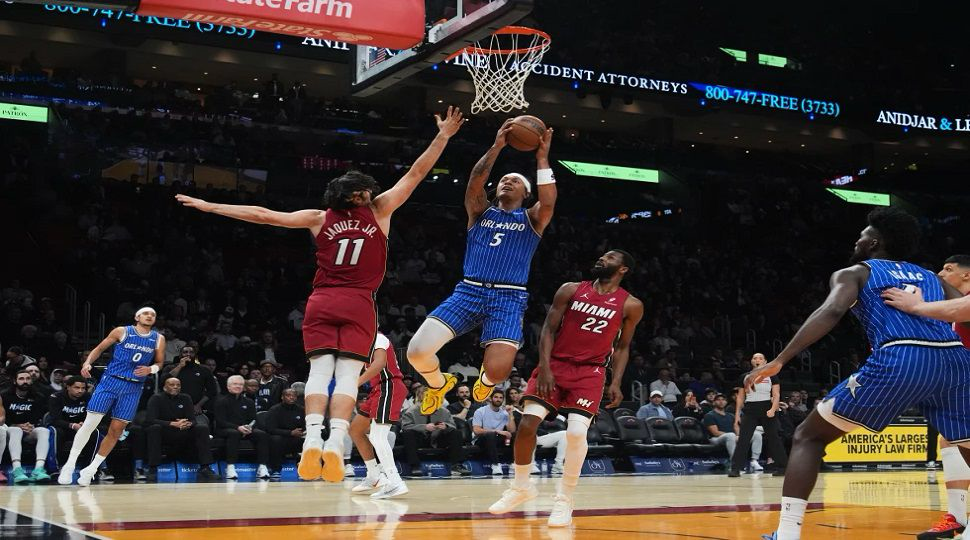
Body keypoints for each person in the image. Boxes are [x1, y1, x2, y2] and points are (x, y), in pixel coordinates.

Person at [176, 107, 464, 483]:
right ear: (359, 194)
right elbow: (416, 173)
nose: (370, 193)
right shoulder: (380, 210)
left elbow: (263, 215)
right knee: (346, 376)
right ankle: (335, 442)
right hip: (359, 302)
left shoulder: (318, 217)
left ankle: (313, 438)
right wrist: (443, 136)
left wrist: (210, 205)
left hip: (322, 300)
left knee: (319, 372)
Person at [748, 208, 970, 540]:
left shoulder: (855, 272)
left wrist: (780, 359)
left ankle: (788, 532)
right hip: (955, 362)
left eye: (863, 235)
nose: (858, 240)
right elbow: (965, 314)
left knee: (808, 436)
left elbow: (832, 310)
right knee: (966, 444)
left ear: (874, 243)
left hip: (902, 356)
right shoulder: (932, 277)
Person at [409, 119, 558, 415]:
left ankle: (486, 381)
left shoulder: (532, 219)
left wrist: (542, 158)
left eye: (515, 181)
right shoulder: (479, 211)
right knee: (416, 352)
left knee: (499, 371)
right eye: (504, 179)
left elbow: (549, 201)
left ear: (526, 194)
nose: (507, 182)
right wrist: (496, 146)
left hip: (508, 297)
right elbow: (476, 180)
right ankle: (439, 384)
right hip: (469, 291)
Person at [489, 250, 643, 527]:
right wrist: (545, 367)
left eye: (610, 258)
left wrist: (616, 381)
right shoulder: (571, 289)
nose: (602, 259)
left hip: (590, 372)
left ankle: (564, 499)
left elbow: (622, 347)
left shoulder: (630, 305)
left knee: (575, 433)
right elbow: (548, 329)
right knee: (527, 425)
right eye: (602, 256)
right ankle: (521, 486)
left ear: (623, 269)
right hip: (556, 365)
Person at [882, 254, 970, 539]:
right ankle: (956, 517)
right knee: (952, 437)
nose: (940, 273)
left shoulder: (958, 307)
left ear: (966, 275)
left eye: (948, 269)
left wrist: (916, 305)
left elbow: (955, 310)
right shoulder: (951, 309)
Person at [58, 307, 165, 486]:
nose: (149, 316)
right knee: (90, 424)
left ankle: (91, 469)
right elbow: (99, 348)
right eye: (146, 313)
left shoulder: (158, 338)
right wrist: (87, 363)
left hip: (133, 387)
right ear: (137, 316)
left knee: (116, 431)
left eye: (153, 314)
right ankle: (69, 465)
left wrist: (151, 369)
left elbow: (160, 363)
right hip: (111, 381)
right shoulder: (122, 331)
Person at [348, 333, 408, 499]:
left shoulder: (377, 337)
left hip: (389, 386)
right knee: (355, 430)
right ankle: (374, 475)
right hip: (377, 390)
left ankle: (395, 482)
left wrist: (355, 383)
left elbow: (380, 363)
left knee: (377, 436)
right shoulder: (364, 344)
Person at [144, 377, 219, 482]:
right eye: (172, 385)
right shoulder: (156, 398)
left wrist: (187, 423)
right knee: (154, 428)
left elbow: (193, 420)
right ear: (165, 387)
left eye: (178, 385)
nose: (175, 387)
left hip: (183, 431)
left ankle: (205, 468)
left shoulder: (186, 398)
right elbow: (150, 420)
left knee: (202, 428)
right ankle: (152, 469)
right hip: (165, 432)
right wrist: (172, 424)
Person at [729, 353, 787, 477]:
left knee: (773, 437)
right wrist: (737, 415)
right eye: (755, 358)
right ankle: (735, 468)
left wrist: (773, 409)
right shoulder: (744, 377)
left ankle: (782, 467)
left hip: (767, 407)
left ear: (765, 361)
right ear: (751, 361)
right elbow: (740, 397)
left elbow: (776, 394)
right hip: (750, 408)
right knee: (743, 438)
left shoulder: (772, 375)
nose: (757, 360)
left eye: (760, 358)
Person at [398, 385, 468, 477]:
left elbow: (453, 425)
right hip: (419, 440)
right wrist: (424, 427)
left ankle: (456, 465)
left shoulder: (444, 411)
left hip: (438, 438)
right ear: (420, 396)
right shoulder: (411, 411)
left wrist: (446, 426)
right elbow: (405, 427)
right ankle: (415, 466)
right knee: (408, 434)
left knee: (455, 433)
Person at [214, 375, 270, 480]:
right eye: (235, 384)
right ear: (228, 386)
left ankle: (262, 466)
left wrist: (249, 427)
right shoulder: (221, 401)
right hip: (225, 429)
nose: (238, 386)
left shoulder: (249, 402)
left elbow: (254, 419)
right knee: (234, 433)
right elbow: (220, 421)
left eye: (240, 384)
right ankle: (230, 467)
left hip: (245, 429)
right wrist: (237, 427)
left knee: (261, 434)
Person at [3, 369, 51, 483]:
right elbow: (4, 418)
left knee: (44, 431)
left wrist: (30, 425)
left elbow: (37, 416)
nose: (25, 381)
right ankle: (17, 469)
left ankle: (38, 469)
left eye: (28, 379)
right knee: (16, 430)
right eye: (21, 379)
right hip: (9, 430)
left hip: (29, 429)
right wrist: (17, 425)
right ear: (14, 381)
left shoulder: (38, 396)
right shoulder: (5, 396)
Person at [48, 376, 95, 472]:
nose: (80, 391)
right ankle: (54, 468)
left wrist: (84, 423)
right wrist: (72, 425)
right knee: (55, 431)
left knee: (95, 432)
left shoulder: (88, 397)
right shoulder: (56, 397)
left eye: (83, 388)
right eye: (77, 387)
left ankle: (88, 468)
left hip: (80, 428)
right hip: (63, 427)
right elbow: (55, 420)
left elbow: (92, 415)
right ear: (68, 387)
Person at [703, 393, 763, 466]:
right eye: (718, 400)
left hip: (732, 436)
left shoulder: (731, 415)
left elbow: (736, 428)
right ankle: (736, 463)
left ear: (726, 402)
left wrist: (739, 436)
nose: (721, 401)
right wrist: (734, 436)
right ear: (714, 402)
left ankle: (754, 461)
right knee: (730, 435)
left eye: (723, 400)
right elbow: (715, 432)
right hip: (716, 439)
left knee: (756, 435)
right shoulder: (709, 415)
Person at [472, 389, 516, 476]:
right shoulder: (480, 411)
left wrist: (510, 414)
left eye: (500, 398)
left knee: (514, 435)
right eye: (496, 397)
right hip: (482, 440)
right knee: (491, 434)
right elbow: (476, 430)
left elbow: (512, 430)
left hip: (498, 440)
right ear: (490, 398)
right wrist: (497, 431)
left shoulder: (504, 413)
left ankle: (513, 464)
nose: (498, 399)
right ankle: (495, 465)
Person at [164, 345, 217, 418]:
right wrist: (180, 366)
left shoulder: (204, 370)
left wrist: (198, 405)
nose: (188, 354)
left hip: (195, 408)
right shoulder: (170, 368)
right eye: (185, 352)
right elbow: (163, 383)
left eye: (191, 352)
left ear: (195, 355)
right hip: (172, 406)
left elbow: (212, 390)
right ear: (180, 355)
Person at [265, 388, 304, 480]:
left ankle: (303, 469)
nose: (291, 397)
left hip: (296, 437)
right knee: (275, 440)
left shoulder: (301, 410)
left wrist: (302, 431)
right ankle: (275, 470)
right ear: (282, 397)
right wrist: (290, 433)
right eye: (288, 395)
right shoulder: (274, 410)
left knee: (308, 440)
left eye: (294, 396)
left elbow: (304, 425)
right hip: (280, 436)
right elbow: (270, 429)